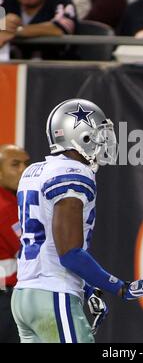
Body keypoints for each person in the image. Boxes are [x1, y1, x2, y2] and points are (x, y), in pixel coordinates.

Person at [11, 99, 143, 343]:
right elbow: (69, 252)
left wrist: (87, 287)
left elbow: (48, 238)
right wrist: (120, 287)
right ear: (81, 136)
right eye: (99, 134)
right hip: (54, 293)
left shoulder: (34, 171)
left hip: (25, 295)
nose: (105, 141)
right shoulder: (74, 173)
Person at [0, 0, 77, 60]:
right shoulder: (4, 2)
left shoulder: (60, 1)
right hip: (13, 72)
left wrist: (17, 30)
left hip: (58, 69)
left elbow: (61, 28)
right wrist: (3, 25)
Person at [0, 144, 30, 343]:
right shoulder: (6, 208)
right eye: (15, 164)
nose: (23, 170)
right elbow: (27, 247)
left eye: (26, 164)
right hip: (5, 299)